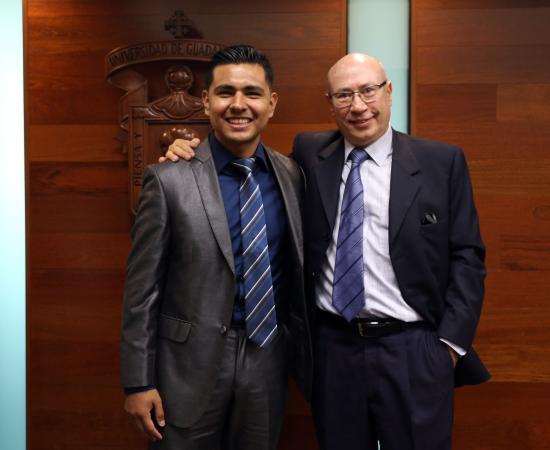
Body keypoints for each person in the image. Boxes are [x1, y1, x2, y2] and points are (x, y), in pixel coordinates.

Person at [165, 53, 489, 450]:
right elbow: (247, 162)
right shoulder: (308, 154)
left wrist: (449, 347)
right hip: (335, 350)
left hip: (413, 348)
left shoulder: (440, 161)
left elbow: (467, 257)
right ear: (330, 103)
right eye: (344, 95)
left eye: (368, 91)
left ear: (389, 92)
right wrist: (188, 153)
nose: (358, 106)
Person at [121, 45, 311, 450]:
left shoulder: (292, 175)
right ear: (207, 101)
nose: (238, 104)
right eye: (226, 92)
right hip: (187, 366)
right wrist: (137, 381)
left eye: (252, 93)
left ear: (272, 103)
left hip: (268, 355)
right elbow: (142, 291)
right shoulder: (168, 179)